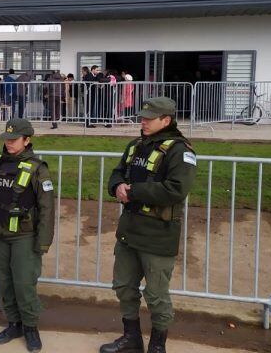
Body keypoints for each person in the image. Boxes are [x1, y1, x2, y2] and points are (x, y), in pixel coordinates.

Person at [101, 97, 197, 353]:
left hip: (158, 235)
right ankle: (131, 338)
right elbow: (118, 172)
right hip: (129, 231)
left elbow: (177, 189)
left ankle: (157, 346)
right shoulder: (136, 146)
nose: (142, 121)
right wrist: (117, 186)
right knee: (124, 287)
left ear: (165, 120)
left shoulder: (180, 151)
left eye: (148, 118)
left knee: (156, 295)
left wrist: (133, 192)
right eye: (142, 116)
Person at [0, 118, 54, 353]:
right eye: (6, 139)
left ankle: (30, 327)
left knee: (24, 282)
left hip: (24, 236)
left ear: (27, 140)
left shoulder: (38, 168)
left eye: (14, 139)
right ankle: (14, 323)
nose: (9, 143)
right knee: (4, 281)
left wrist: (43, 241)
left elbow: (47, 209)